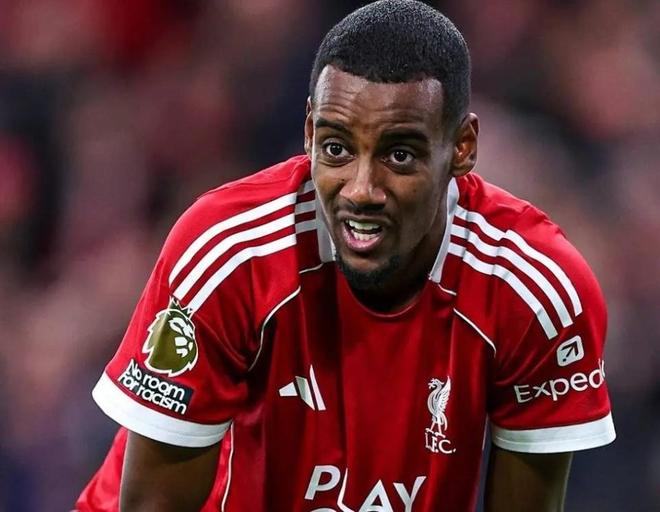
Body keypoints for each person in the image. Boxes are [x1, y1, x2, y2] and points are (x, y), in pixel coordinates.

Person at [75, 1, 615, 510]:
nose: (360, 189)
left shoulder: (536, 291)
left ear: (462, 148)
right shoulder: (229, 254)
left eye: (399, 154)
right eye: (336, 148)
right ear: (309, 133)